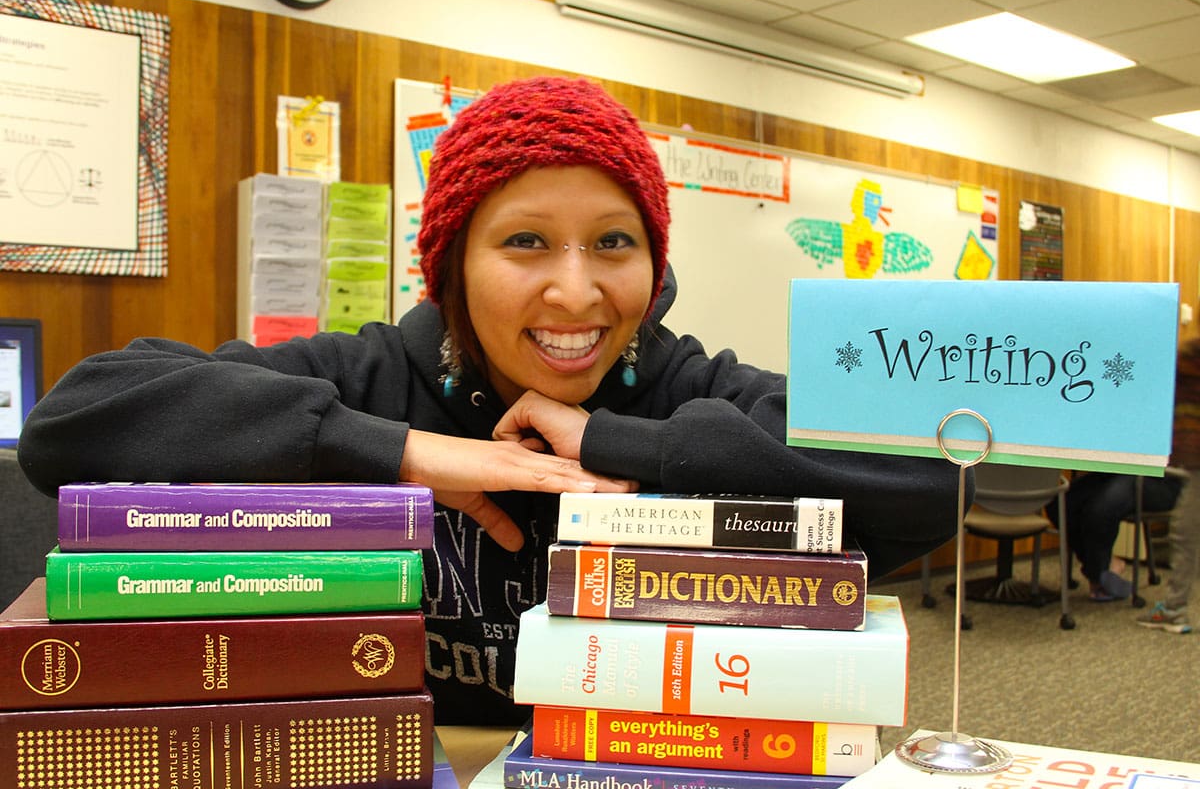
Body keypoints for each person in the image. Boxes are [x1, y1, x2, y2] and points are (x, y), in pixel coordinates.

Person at [17, 76, 963, 724]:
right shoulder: (371, 374)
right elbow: (73, 421)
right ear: (453, 266)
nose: (577, 294)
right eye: (524, 244)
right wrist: (393, 453)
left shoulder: (683, 386)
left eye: (613, 243)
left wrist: (624, 442)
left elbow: (927, 479)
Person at [1137, 336, 1200, 632]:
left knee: (1186, 536)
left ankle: (1174, 610)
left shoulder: (1189, 357)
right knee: (1186, 535)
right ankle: (1174, 608)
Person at [1046, 471, 1182, 601]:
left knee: (1100, 509)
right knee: (1058, 504)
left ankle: (1099, 575)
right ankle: (1104, 566)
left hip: (1163, 480)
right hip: (1116, 471)